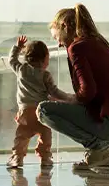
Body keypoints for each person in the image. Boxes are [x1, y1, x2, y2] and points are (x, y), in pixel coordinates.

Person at [37, 3, 109, 169]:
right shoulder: (95, 43)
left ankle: (99, 148)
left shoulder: (77, 48)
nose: (57, 44)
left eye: (56, 37)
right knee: (65, 108)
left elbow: (88, 93)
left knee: (43, 110)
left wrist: (67, 100)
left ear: (64, 26)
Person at [7, 36, 74, 168]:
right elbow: (55, 92)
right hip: (40, 112)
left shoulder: (21, 70)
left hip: (25, 113)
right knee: (45, 135)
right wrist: (69, 97)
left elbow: (11, 60)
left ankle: (17, 157)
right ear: (44, 59)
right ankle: (45, 158)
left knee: (21, 136)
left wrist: (18, 47)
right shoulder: (45, 75)